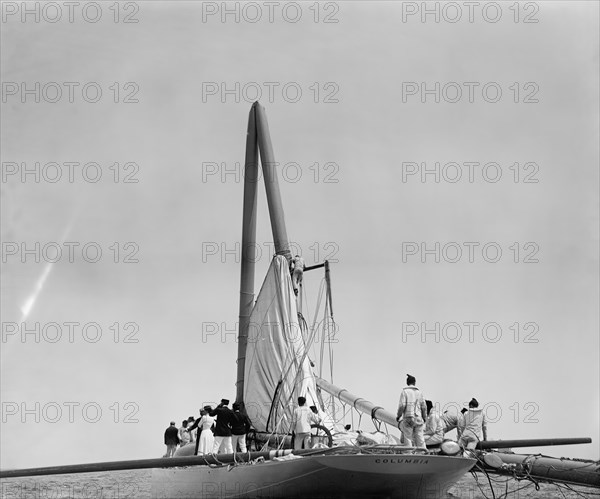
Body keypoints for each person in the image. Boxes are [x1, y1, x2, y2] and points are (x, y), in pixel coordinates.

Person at [396, 374, 427, 449]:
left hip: (408, 417)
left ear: (407, 382)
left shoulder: (405, 392)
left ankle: (409, 454)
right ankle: (423, 453)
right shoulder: (419, 393)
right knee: (420, 437)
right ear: (414, 382)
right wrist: (424, 417)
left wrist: (398, 416)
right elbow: (424, 407)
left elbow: (402, 406)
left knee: (408, 437)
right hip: (418, 418)